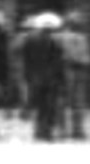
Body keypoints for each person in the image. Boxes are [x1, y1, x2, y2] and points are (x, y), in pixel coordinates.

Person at [22, 13, 67, 141]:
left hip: (35, 77)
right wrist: (62, 80)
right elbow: (58, 63)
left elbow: (27, 60)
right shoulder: (55, 42)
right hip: (51, 79)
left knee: (39, 104)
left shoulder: (30, 40)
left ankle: (38, 131)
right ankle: (46, 132)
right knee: (49, 106)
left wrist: (27, 76)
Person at [58, 11, 90, 139]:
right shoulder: (83, 38)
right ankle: (77, 130)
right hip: (78, 70)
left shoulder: (60, 37)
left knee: (63, 101)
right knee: (78, 102)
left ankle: (62, 129)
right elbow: (87, 57)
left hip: (66, 69)